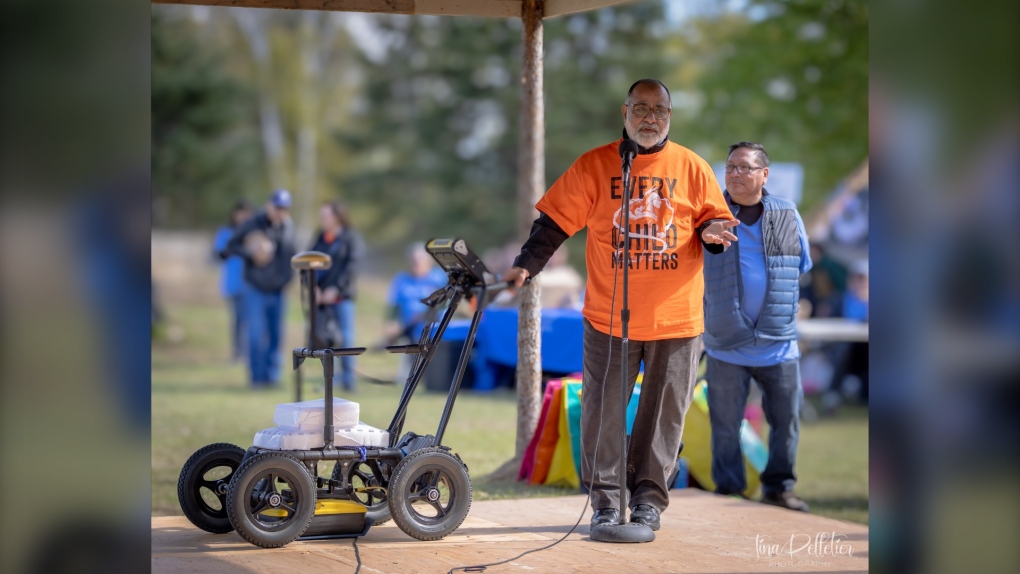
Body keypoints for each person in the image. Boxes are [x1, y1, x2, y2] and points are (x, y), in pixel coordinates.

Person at [502, 79, 738, 531]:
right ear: (624, 111)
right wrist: (526, 265)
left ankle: (649, 500)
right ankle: (607, 503)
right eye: (642, 108)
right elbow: (553, 222)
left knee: (664, 417)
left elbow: (715, 220)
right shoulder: (595, 164)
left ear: (670, 116)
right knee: (603, 411)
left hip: (677, 319)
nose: (651, 118)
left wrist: (711, 235)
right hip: (610, 317)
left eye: (661, 110)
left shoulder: (691, 166)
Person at [701, 142, 813, 512]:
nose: (735, 174)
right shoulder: (708, 214)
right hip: (725, 342)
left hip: (778, 343)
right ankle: (729, 489)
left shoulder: (786, 212)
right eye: (730, 167)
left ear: (765, 174)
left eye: (745, 167)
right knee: (725, 425)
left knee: (786, 423)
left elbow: (801, 264)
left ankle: (779, 488)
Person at [220, 189, 297, 388]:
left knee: (275, 334)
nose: (280, 212)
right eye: (278, 207)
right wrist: (252, 252)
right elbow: (231, 246)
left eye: (285, 209)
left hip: (278, 290)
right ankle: (257, 378)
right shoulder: (253, 223)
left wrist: (287, 280)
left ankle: (272, 377)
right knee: (255, 333)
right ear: (269, 205)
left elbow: (291, 256)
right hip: (255, 288)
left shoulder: (288, 227)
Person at [308, 200, 365, 391]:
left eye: (325, 216)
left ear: (337, 217)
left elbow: (352, 267)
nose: (322, 220)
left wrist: (336, 289)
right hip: (321, 300)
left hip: (342, 299)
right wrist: (313, 287)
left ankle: (349, 381)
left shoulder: (351, 238)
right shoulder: (320, 237)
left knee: (346, 339)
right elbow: (308, 262)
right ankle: (330, 380)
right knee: (324, 340)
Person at [382, 242, 448, 385]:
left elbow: (446, 303)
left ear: (429, 262)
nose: (416, 264)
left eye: (420, 261)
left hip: (433, 324)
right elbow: (393, 306)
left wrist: (425, 315)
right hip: (408, 326)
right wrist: (391, 323)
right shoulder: (401, 280)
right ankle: (408, 374)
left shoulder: (438, 279)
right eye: (413, 261)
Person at [213, 199, 253, 362]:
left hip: (252, 283)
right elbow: (219, 253)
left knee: (252, 320)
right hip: (234, 282)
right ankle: (238, 352)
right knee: (237, 320)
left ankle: (251, 352)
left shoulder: (253, 232)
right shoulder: (226, 232)